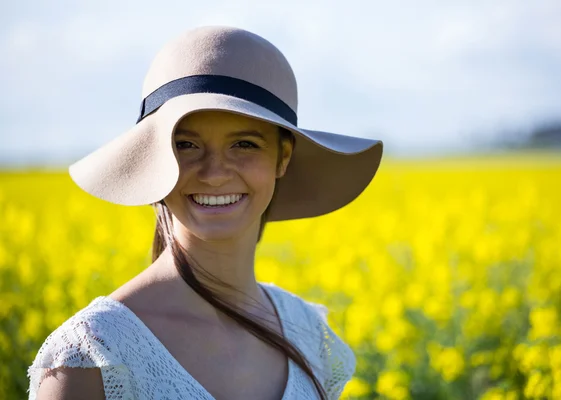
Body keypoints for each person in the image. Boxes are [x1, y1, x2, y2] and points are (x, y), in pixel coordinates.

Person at [26, 26, 383, 400]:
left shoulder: (308, 335)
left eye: (244, 144)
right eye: (187, 145)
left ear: (283, 157)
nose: (214, 174)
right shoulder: (92, 355)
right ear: (154, 158)